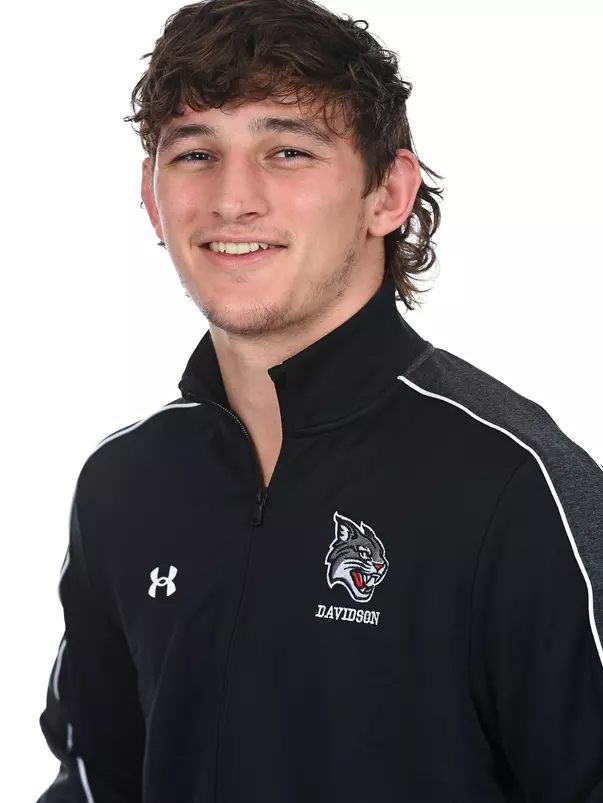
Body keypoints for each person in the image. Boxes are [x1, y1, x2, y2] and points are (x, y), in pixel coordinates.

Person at [36, 0, 603, 801]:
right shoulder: (123, 482)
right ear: (150, 195)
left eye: (288, 150)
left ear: (388, 193)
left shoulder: (513, 484)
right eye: (195, 153)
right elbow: (93, 776)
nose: (233, 198)